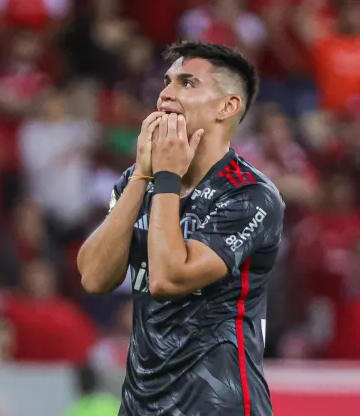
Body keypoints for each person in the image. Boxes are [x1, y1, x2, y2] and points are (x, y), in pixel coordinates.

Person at [77, 40, 284, 416]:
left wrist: (167, 175)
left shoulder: (251, 195)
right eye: (168, 82)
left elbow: (168, 279)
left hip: (218, 406)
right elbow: (93, 276)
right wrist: (143, 174)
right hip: (141, 404)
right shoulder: (137, 181)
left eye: (187, 83)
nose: (166, 94)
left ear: (228, 106)